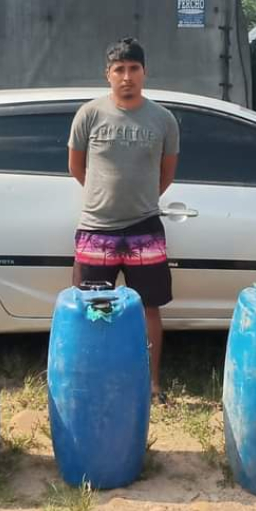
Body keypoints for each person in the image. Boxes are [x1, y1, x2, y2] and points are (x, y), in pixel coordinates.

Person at [67, 38, 179, 402]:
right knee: (89, 308)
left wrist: (138, 200)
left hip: (145, 229)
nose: (126, 77)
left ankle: (152, 384)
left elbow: (166, 174)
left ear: (144, 72)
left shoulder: (164, 120)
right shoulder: (89, 115)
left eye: (133, 69)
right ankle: (92, 380)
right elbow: (76, 166)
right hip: (96, 229)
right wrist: (106, 200)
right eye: (119, 70)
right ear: (108, 75)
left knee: (148, 307)